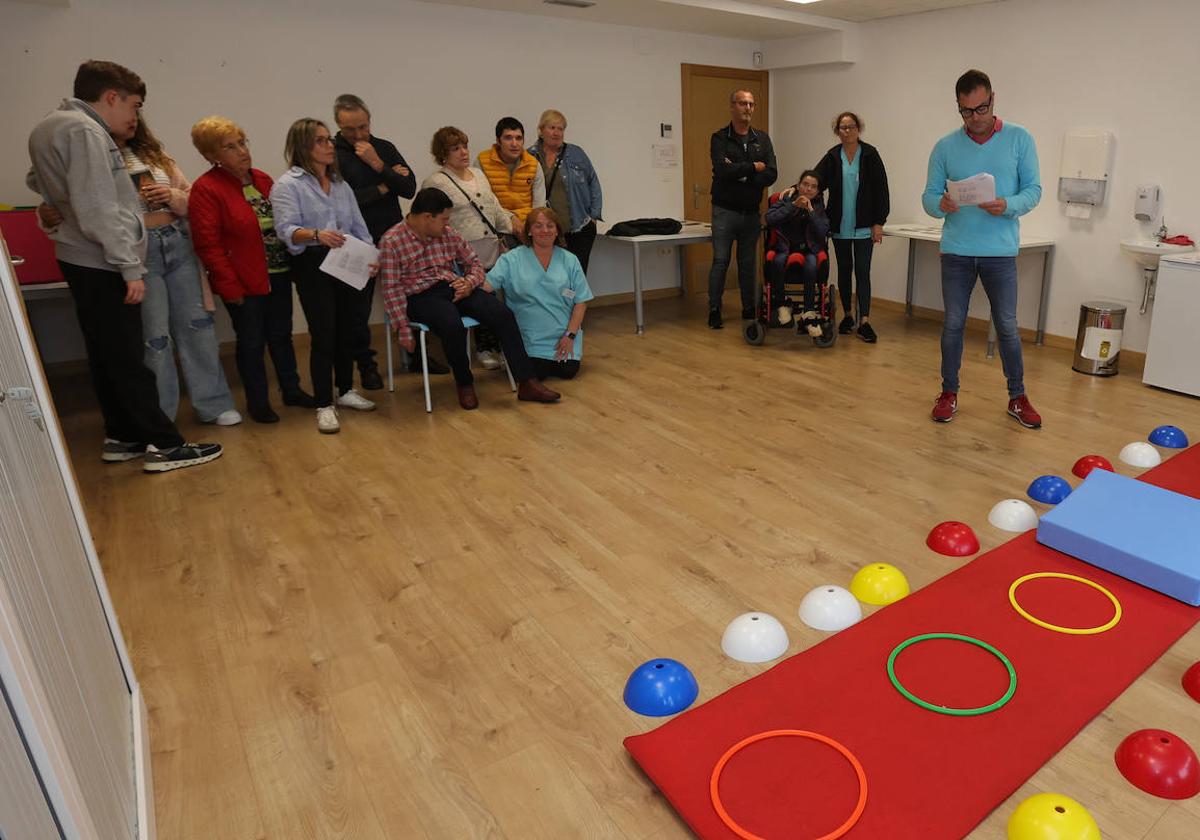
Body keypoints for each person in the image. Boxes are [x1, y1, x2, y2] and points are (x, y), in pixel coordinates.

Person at [26, 60, 221, 472]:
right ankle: (166, 446)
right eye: (133, 105)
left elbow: (43, 181)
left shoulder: (51, 124)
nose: (135, 116)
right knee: (130, 356)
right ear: (110, 97)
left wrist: (58, 205)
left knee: (107, 355)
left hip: (81, 255)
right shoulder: (84, 130)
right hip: (100, 259)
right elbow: (99, 208)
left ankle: (123, 436)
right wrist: (129, 267)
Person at [36, 115, 242, 427]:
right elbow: (73, 206)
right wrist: (45, 214)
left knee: (198, 327)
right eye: (127, 113)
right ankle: (161, 416)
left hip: (176, 245)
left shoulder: (156, 157)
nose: (131, 120)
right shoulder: (93, 159)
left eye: (136, 115)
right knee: (155, 338)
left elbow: (192, 199)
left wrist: (171, 197)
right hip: (139, 253)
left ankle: (213, 404)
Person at [922, 69, 1043, 428]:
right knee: (953, 324)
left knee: (1006, 325)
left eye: (980, 108)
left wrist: (1008, 205)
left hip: (1000, 251)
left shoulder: (1020, 139)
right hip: (957, 249)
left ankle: (1017, 397)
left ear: (993, 99)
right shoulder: (945, 146)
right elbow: (928, 197)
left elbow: (1033, 190)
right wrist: (939, 204)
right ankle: (948, 392)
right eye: (965, 111)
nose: (974, 118)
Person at [378, 187, 562, 409]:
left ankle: (527, 382)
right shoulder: (392, 240)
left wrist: (469, 283)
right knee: (451, 323)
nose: (447, 224)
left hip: (453, 286)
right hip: (420, 296)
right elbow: (391, 289)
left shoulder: (448, 233)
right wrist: (403, 329)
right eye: (444, 219)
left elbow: (474, 264)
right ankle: (465, 384)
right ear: (427, 217)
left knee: (502, 313)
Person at [188, 115, 317, 423]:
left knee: (282, 335)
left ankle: (292, 390)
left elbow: (285, 223)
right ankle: (258, 402)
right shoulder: (206, 189)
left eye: (242, 143)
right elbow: (208, 245)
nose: (242, 151)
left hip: (280, 273)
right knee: (251, 342)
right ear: (211, 156)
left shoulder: (262, 180)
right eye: (230, 147)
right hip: (244, 282)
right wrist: (229, 287)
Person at [271, 117, 377, 435]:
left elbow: (359, 227)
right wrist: (317, 234)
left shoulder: (340, 184)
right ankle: (323, 403)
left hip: (346, 259)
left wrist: (373, 257)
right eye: (321, 140)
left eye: (329, 139)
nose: (330, 145)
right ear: (303, 146)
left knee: (348, 328)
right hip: (313, 264)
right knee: (324, 333)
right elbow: (286, 230)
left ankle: (345, 390)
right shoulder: (287, 185)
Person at [332, 94, 440, 384]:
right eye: (350, 129)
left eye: (363, 127)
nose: (357, 134)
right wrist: (383, 186)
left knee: (412, 292)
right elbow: (341, 202)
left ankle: (417, 356)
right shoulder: (332, 154)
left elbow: (408, 188)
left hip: (394, 237)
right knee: (359, 308)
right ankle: (366, 366)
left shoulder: (384, 148)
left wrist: (379, 164)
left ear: (370, 122)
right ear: (338, 125)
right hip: (355, 241)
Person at [484, 207, 593, 380]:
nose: (545, 230)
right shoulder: (511, 259)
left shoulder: (569, 260)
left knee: (568, 371)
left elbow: (581, 301)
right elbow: (487, 286)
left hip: (563, 335)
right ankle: (513, 355)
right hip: (529, 337)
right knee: (536, 374)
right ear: (529, 231)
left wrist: (569, 336)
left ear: (557, 230)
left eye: (550, 226)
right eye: (538, 226)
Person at [475, 117, 545, 370]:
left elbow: (538, 205)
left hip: (526, 232)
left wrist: (529, 229)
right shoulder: (481, 162)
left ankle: (520, 345)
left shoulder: (533, 164)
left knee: (523, 289)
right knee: (488, 291)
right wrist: (511, 221)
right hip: (493, 232)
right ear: (498, 140)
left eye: (518, 138)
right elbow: (484, 202)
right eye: (508, 138)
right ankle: (486, 347)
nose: (514, 143)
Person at [815, 111, 889, 343]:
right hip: (840, 226)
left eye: (851, 127)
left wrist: (879, 222)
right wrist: (795, 189)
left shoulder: (870, 154)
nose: (847, 131)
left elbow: (882, 190)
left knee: (863, 272)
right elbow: (815, 182)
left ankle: (864, 321)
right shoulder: (832, 156)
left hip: (865, 226)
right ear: (837, 131)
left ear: (859, 129)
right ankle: (847, 315)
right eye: (842, 128)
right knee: (844, 271)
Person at [707, 89, 777, 329]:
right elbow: (722, 170)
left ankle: (749, 307)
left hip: (750, 212)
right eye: (742, 103)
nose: (748, 108)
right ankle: (715, 308)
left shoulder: (762, 139)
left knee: (748, 263)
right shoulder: (719, 138)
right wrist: (753, 167)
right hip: (725, 211)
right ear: (732, 106)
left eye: (751, 104)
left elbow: (771, 173)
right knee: (721, 260)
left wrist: (744, 174)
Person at [421, 126, 513, 271]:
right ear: (443, 154)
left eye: (465, 147)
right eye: (456, 149)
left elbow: (494, 207)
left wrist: (512, 228)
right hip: (460, 261)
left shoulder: (478, 174)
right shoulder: (435, 182)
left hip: (493, 256)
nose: (464, 152)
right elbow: (427, 224)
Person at [528, 109, 602, 273]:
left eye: (560, 129)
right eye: (552, 127)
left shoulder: (576, 153)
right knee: (551, 274)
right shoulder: (529, 156)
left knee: (576, 274)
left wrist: (594, 217)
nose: (556, 133)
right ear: (541, 130)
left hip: (579, 227)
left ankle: (575, 300)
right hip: (546, 230)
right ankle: (559, 300)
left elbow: (594, 182)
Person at [764, 171, 830, 338]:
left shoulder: (818, 205)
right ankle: (782, 305)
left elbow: (823, 230)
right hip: (785, 248)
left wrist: (810, 210)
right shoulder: (786, 199)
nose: (808, 189)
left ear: (817, 191)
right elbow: (770, 218)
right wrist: (793, 205)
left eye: (813, 187)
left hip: (808, 249)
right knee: (778, 261)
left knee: (811, 265)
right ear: (798, 185)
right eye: (805, 185)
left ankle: (808, 311)